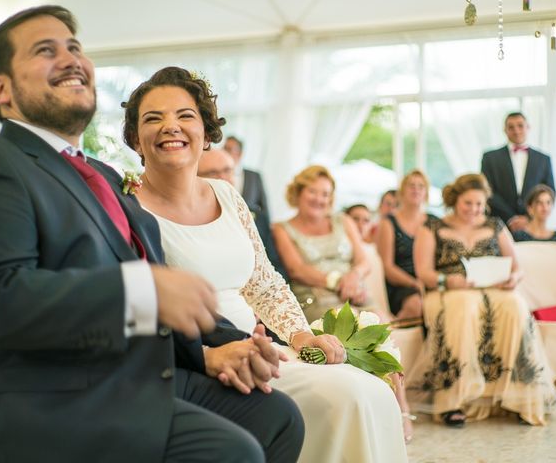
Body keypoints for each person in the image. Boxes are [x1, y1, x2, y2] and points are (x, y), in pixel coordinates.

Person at [0, 6, 305, 463]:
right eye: (46, 50)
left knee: (278, 416)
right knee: (233, 451)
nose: (71, 59)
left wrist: (231, 345)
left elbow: (165, 289)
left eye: (75, 47)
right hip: (59, 391)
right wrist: (140, 290)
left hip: (146, 370)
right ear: (1, 89)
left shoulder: (102, 177)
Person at [122, 67, 408, 463]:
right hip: (196, 360)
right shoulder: (124, 207)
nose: (170, 126)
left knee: (371, 391)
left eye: (185, 115)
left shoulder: (227, 194)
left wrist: (301, 337)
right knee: (345, 400)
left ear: (206, 131)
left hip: (262, 347)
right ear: (136, 138)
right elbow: (134, 307)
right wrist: (211, 353)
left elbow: (264, 283)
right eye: (153, 118)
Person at [408, 174, 556, 427]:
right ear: (455, 200)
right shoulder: (432, 227)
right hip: (447, 291)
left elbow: (518, 268)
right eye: (468, 204)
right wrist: (448, 281)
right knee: (464, 306)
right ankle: (452, 399)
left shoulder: (495, 226)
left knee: (514, 306)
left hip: (492, 289)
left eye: (479, 204)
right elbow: (423, 272)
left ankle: (518, 397)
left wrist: (513, 279)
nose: (474, 210)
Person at [273, 165, 372, 323]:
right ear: (298, 192)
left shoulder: (344, 221)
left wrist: (354, 277)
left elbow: (364, 261)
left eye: (325, 194)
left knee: (382, 323)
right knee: (349, 326)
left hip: (355, 294)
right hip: (316, 299)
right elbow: (296, 270)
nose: (319, 199)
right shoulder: (281, 229)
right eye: (312, 191)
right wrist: (340, 282)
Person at [198, 148, 287, 279]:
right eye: (212, 173)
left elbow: (275, 266)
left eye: (227, 171)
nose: (223, 179)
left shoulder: (258, 216)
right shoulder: (190, 219)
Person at [377, 169, 439, 321]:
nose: (416, 189)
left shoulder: (434, 222)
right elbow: (387, 267)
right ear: (402, 191)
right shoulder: (388, 222)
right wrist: (414, 283)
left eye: (421, 186)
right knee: (415, 304)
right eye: (411, 185)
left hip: (430, 281)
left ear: (426, 193)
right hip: (400, 284)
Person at [481, 112, 555, 233]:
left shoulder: (543, 159)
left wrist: (528, 217)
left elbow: (549, 191)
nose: (516, 130)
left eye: (520, 125)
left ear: (528, 127)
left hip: (533, 225)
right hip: (499, 224)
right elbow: (487, 191)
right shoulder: (489, 158)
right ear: (505, 130)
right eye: (511, 127)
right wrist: (511, 218)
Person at [224, 135, 269, 216]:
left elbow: (264, 209)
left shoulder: (254, 177)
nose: (225, 153)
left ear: (240, 153)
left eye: (229, 149)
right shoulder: (216, 175)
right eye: (224, 149)